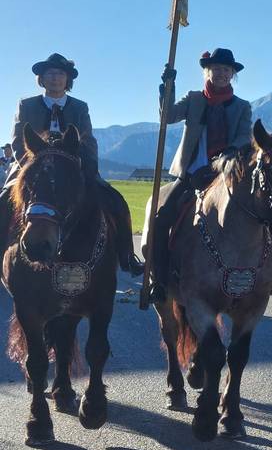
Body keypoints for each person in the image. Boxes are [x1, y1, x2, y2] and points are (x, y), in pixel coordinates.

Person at [0, 53, 143, 275]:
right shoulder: (26, 105)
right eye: (50, 73)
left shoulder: (79, 107)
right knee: (3, 202)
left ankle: (126, 257)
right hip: (33, 169)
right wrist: (33, 166)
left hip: (73, 168)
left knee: (115, 201)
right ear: (41, 78)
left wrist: (86, 167)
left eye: (60, 74)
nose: (55, 78)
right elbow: (18, 140)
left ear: (67, 80)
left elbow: (88, 140)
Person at [148, 47, 252, 303]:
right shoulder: (194, 99)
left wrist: (229, 153)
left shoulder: (242, 107)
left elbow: (243, 136)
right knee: (161, 219)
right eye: (216, 69)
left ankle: (262, 277)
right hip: (190, 175)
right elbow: (167, 116)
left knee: (259, 215)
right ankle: (158, 279)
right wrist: (167, 87)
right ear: (208, 71)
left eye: (226, 70)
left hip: (225, 175)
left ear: (232, 74)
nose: (221, 74)